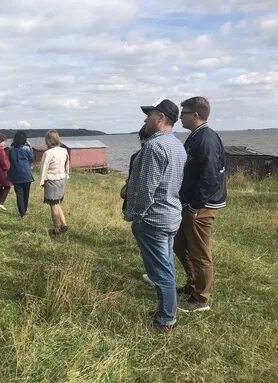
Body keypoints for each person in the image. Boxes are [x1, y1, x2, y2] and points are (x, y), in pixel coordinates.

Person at [124, 98, 186, 332]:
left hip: (154, 219)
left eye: (149, 115)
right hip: (170, 215)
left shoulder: (153, 146)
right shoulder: (177, 145)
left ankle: (167, 319)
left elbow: (146, 188)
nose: (145, 119)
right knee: (166, 266)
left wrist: (137, 215)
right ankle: (165, 310)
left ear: (160, 118)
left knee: (161, 272)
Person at [174, 97, 227, 313]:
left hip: (201, 207)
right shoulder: (196, 137)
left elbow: (210, 176)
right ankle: (192, 283)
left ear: (195, 115)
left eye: (183, 113)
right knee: (180, 245)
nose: (180, 117)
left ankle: (201, 298)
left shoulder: (205, 139)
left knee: (199, 251)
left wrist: (195, 205)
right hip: (190, 204)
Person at [120, 125, 154, 286]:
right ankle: (157, 275)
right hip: (168, 210)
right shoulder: (175, 149)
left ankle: (156, 276)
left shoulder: (138, 156)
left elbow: (137, 184)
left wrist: (136, 211)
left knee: (149, 245)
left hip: (145, 209)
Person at [39, 130, 70, 235]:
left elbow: (43, 167)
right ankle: (64, 225)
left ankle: (56, 229)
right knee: (58, 203)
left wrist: (42, 181)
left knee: (53, 205)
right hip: (61, 179)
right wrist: (67, 174)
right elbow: (67, 163)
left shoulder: (48, 153)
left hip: (51, 180)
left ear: (48, 141)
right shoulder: (64, 151)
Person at [7, 130, 34, 217]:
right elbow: (32, 158)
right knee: (26, 194)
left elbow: (9, 159)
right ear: (24, 140)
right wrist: (30, 147)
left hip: (15, 175)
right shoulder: (26, 149)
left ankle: (22, 213)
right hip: (26, 174)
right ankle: (25, 209)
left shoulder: (11, 149)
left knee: (19, 195)